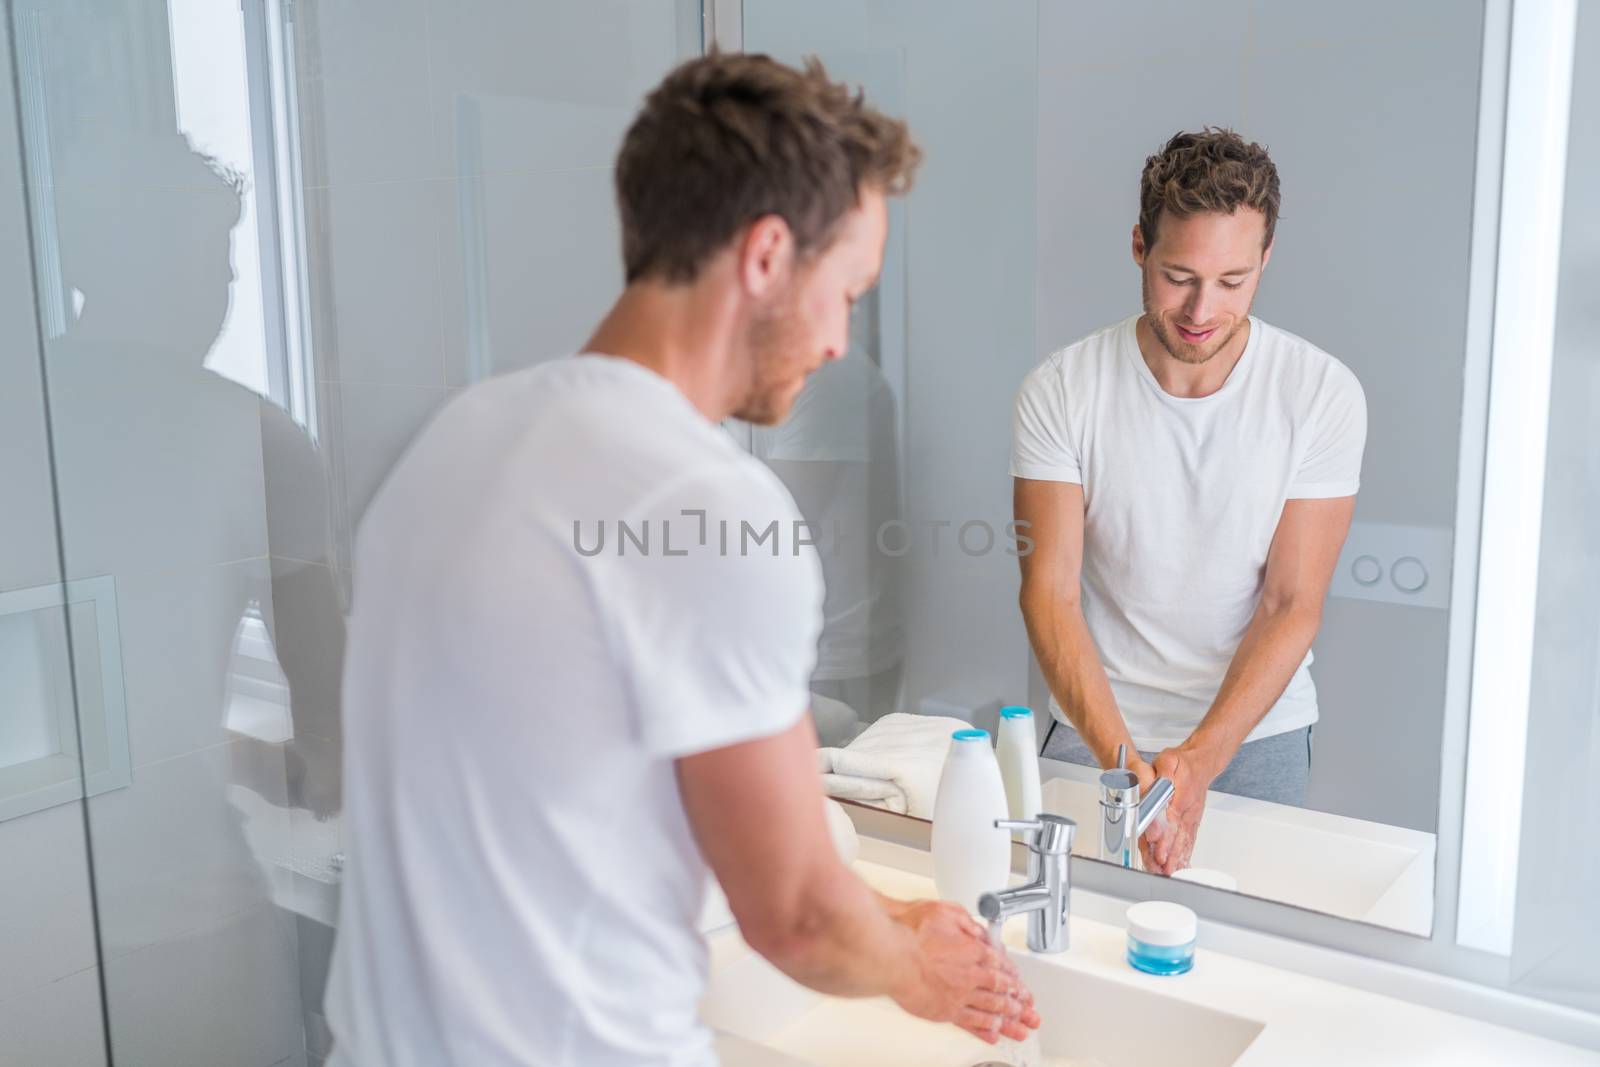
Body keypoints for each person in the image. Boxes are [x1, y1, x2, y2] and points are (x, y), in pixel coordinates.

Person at [324, 53, 1038, 1066]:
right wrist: (922, 974)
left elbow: (580, 807)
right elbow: (794, 913)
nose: (841, 339)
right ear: (764, 257)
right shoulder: (709, 507)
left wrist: (885, 908)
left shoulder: (455, 438)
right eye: (846, 289)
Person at [1012, 128, 1365, 876]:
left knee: (1240, 953)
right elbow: (1050, 594)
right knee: (1081, 929)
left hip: (1254, 732)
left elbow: (1291, 601)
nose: (1203, 307)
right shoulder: (1063, 387)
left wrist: (1201, 761)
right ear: (1138, 245)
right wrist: (1120, 756)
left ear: (1266, 258)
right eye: (1179, 274)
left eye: (1234, 280)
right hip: (1094, 721)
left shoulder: (1321, 393)